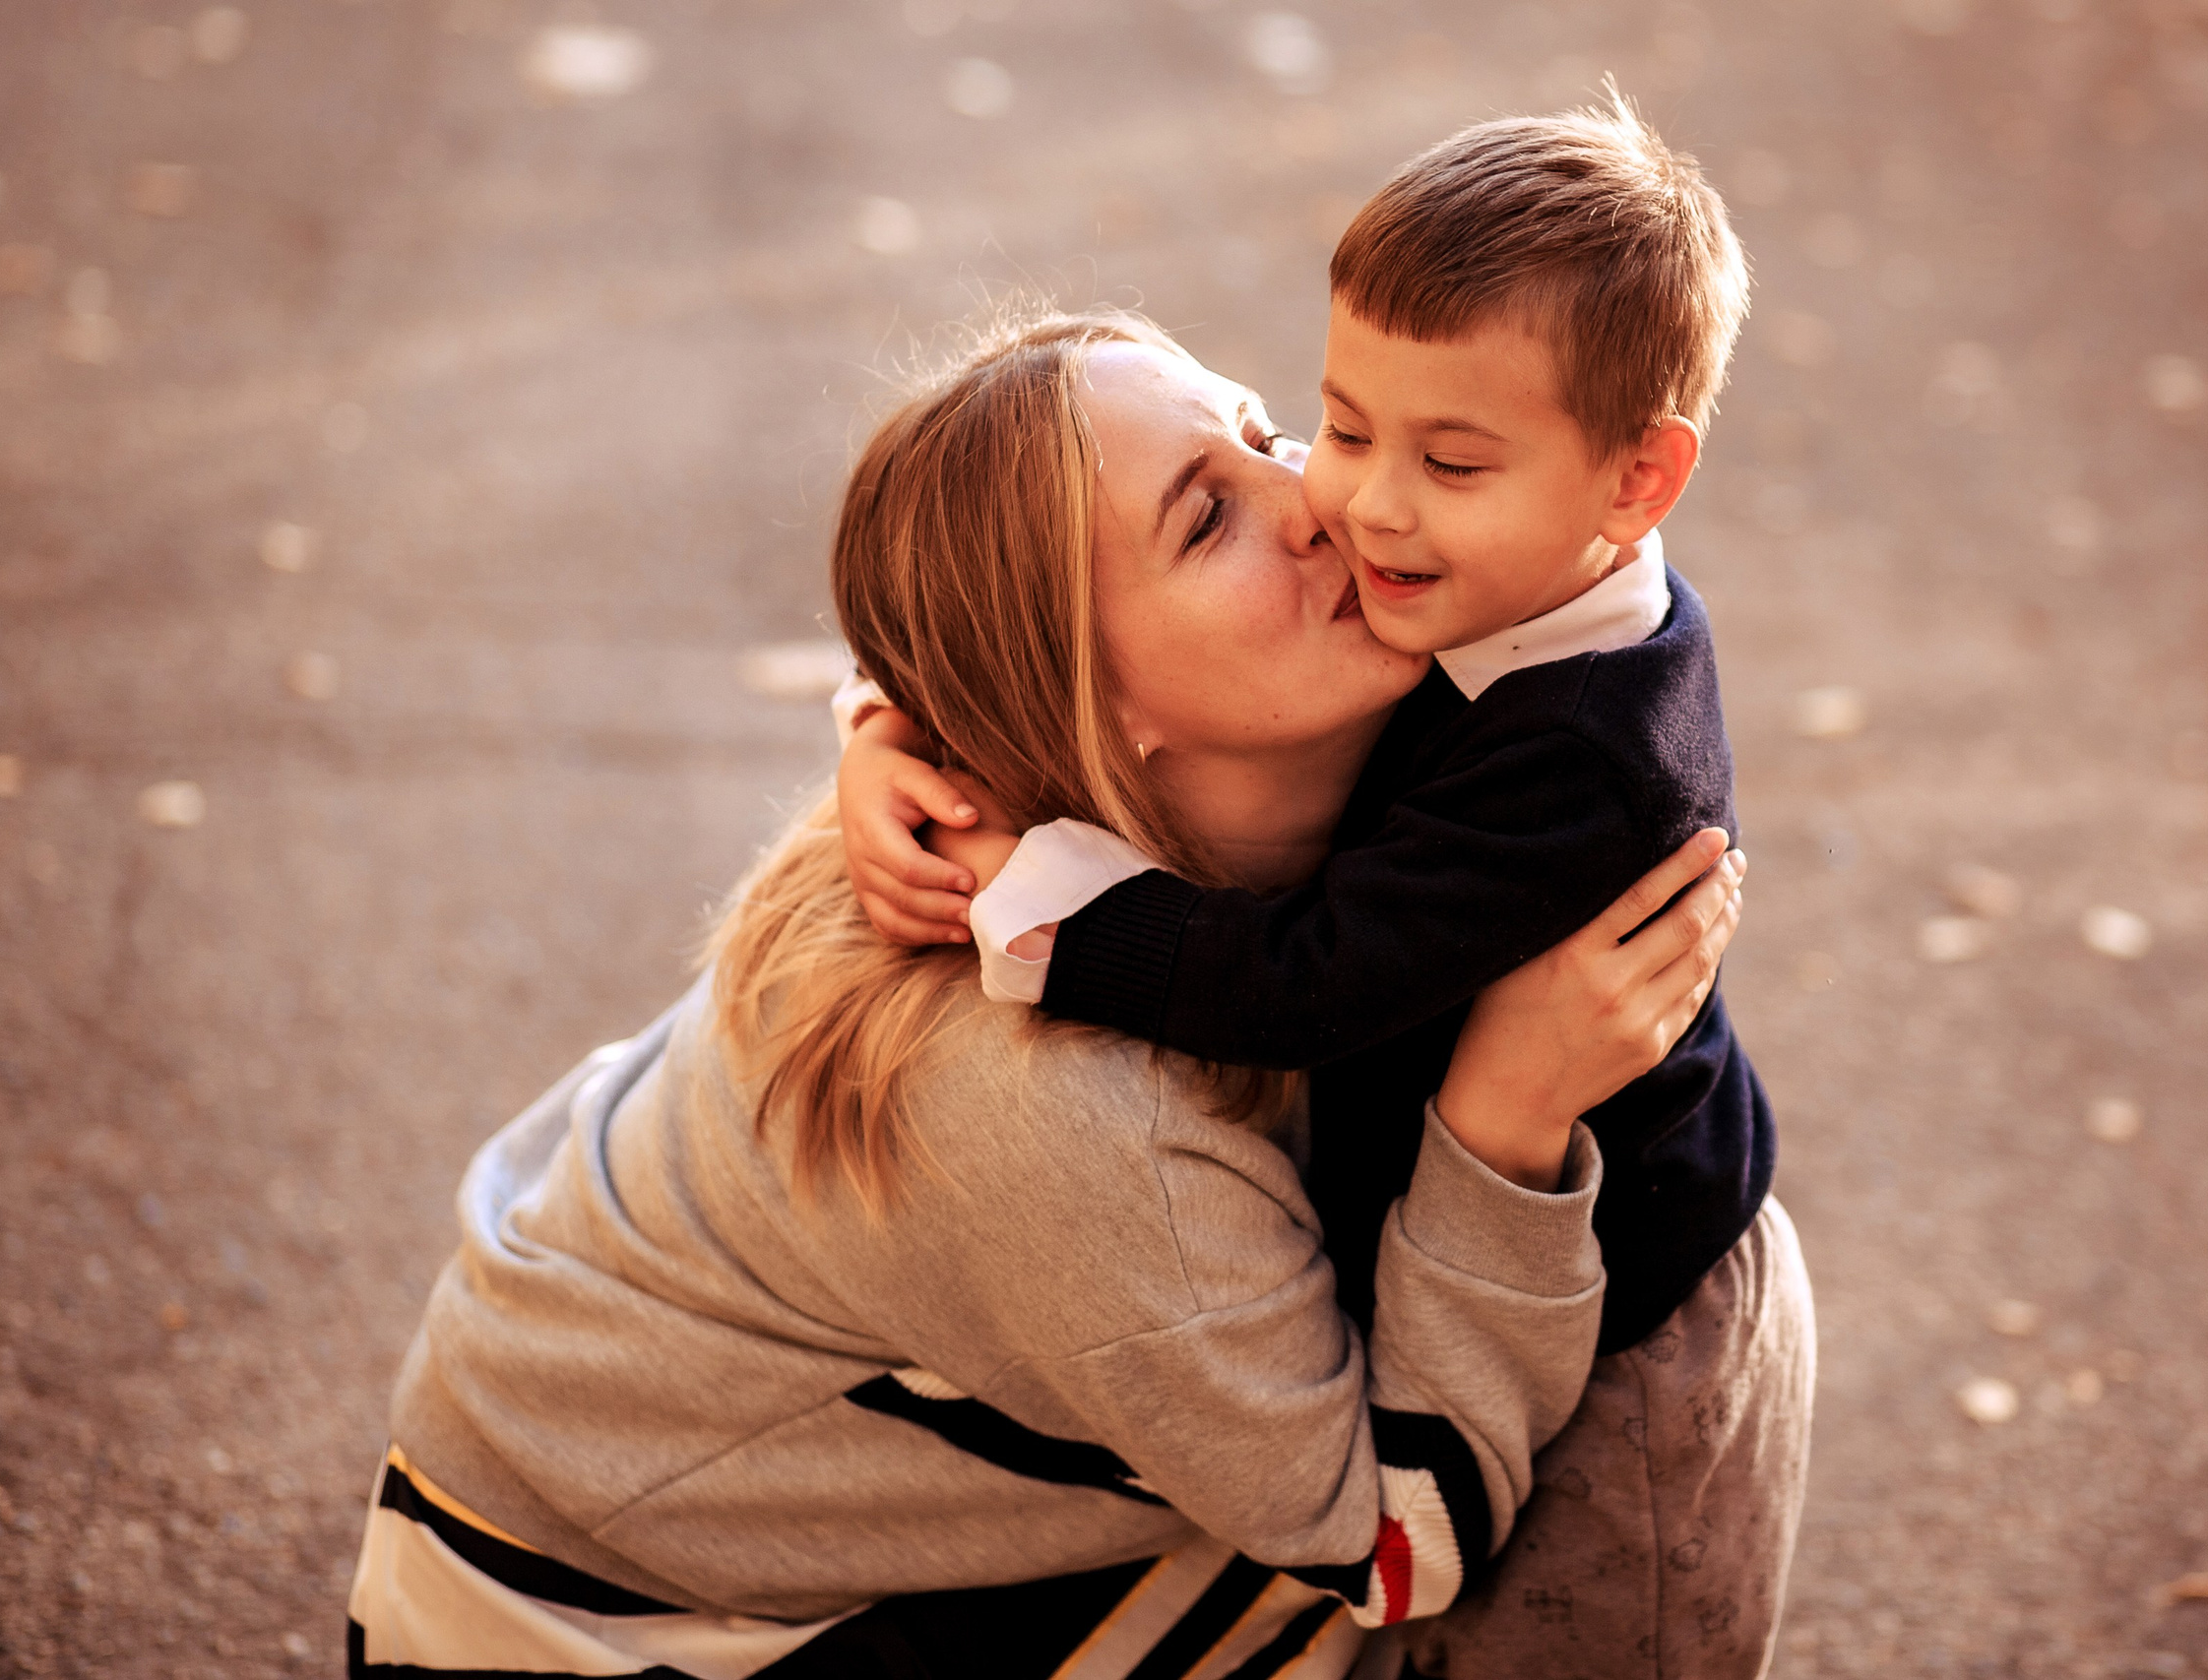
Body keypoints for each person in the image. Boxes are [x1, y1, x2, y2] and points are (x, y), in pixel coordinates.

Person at [347, 310, 1747, 1680]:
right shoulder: (1084, 1122)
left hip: (637, 1424)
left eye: (1265, 431)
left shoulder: (1034, 786)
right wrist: (1505, 1123)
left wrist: (883, 718)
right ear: (1087, 697)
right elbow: (1394, 1543)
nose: (1326, 499)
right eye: (1207, 521)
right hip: (595, 1623)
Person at [837, 100, 1812, 1679]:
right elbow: (1027, 619)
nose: (1352, 505)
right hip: (1489, 1269)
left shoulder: (1585, 758)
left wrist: (1054, 917)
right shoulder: (1499, 568)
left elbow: (1302, 982)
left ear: (1638, 482)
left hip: (1634, 1330)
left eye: (1449, 461)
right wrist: (891, 728)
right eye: (1341, 426)